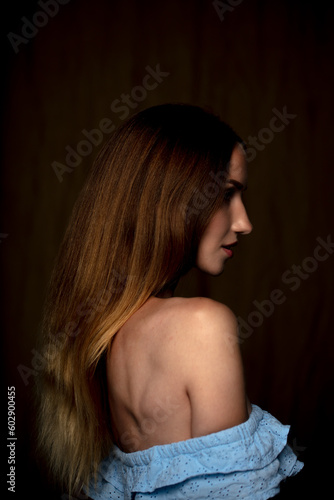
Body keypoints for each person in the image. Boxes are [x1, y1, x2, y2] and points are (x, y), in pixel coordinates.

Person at [37, 104, 303, 499]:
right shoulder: (202, 325)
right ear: (172, 199)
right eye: (226, 194)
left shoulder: (104, 335)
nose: (244, 222)